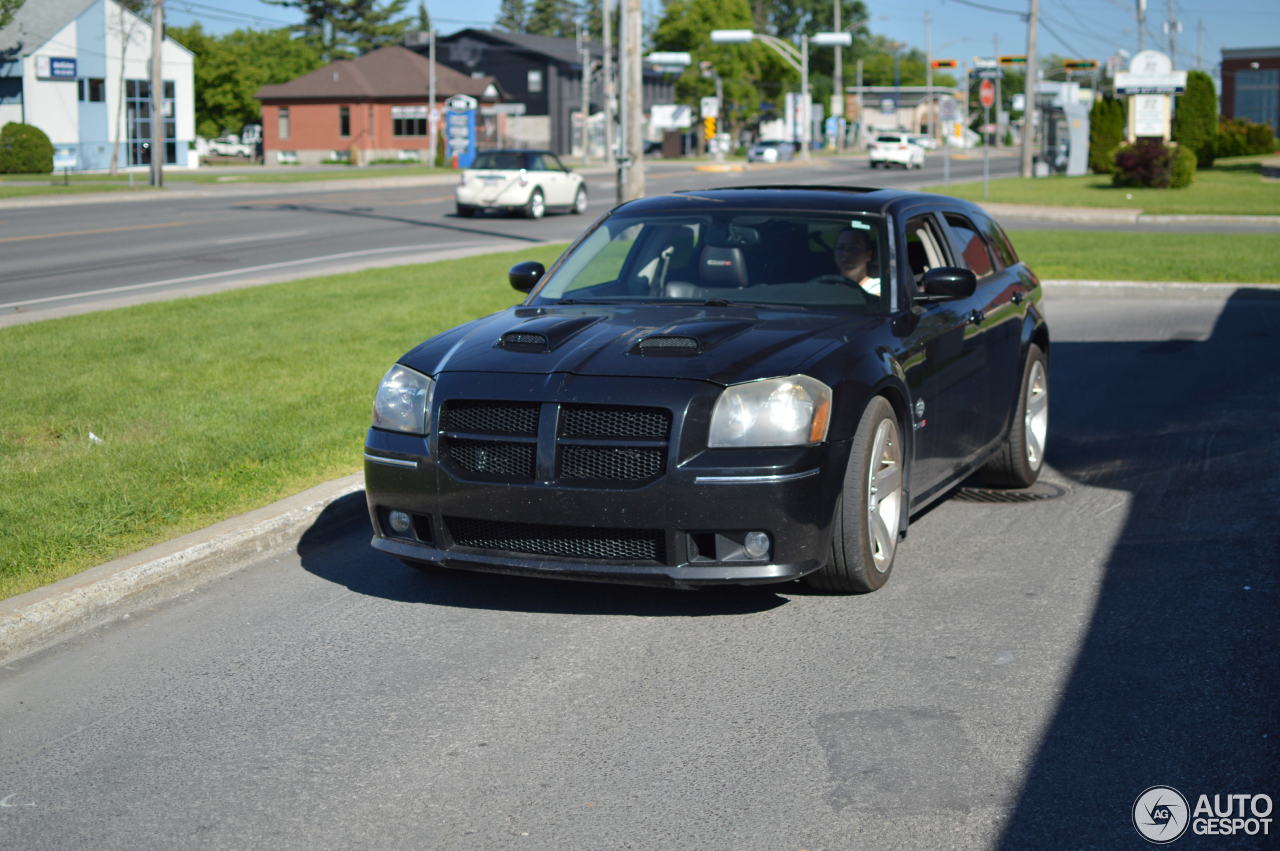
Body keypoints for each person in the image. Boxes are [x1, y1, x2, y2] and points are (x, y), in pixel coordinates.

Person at [832, 226, 881, 297]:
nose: (846, 253)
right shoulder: (827, 288)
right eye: (841, 247)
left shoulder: (880, 287)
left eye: (853, 248)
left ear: (868, 255)